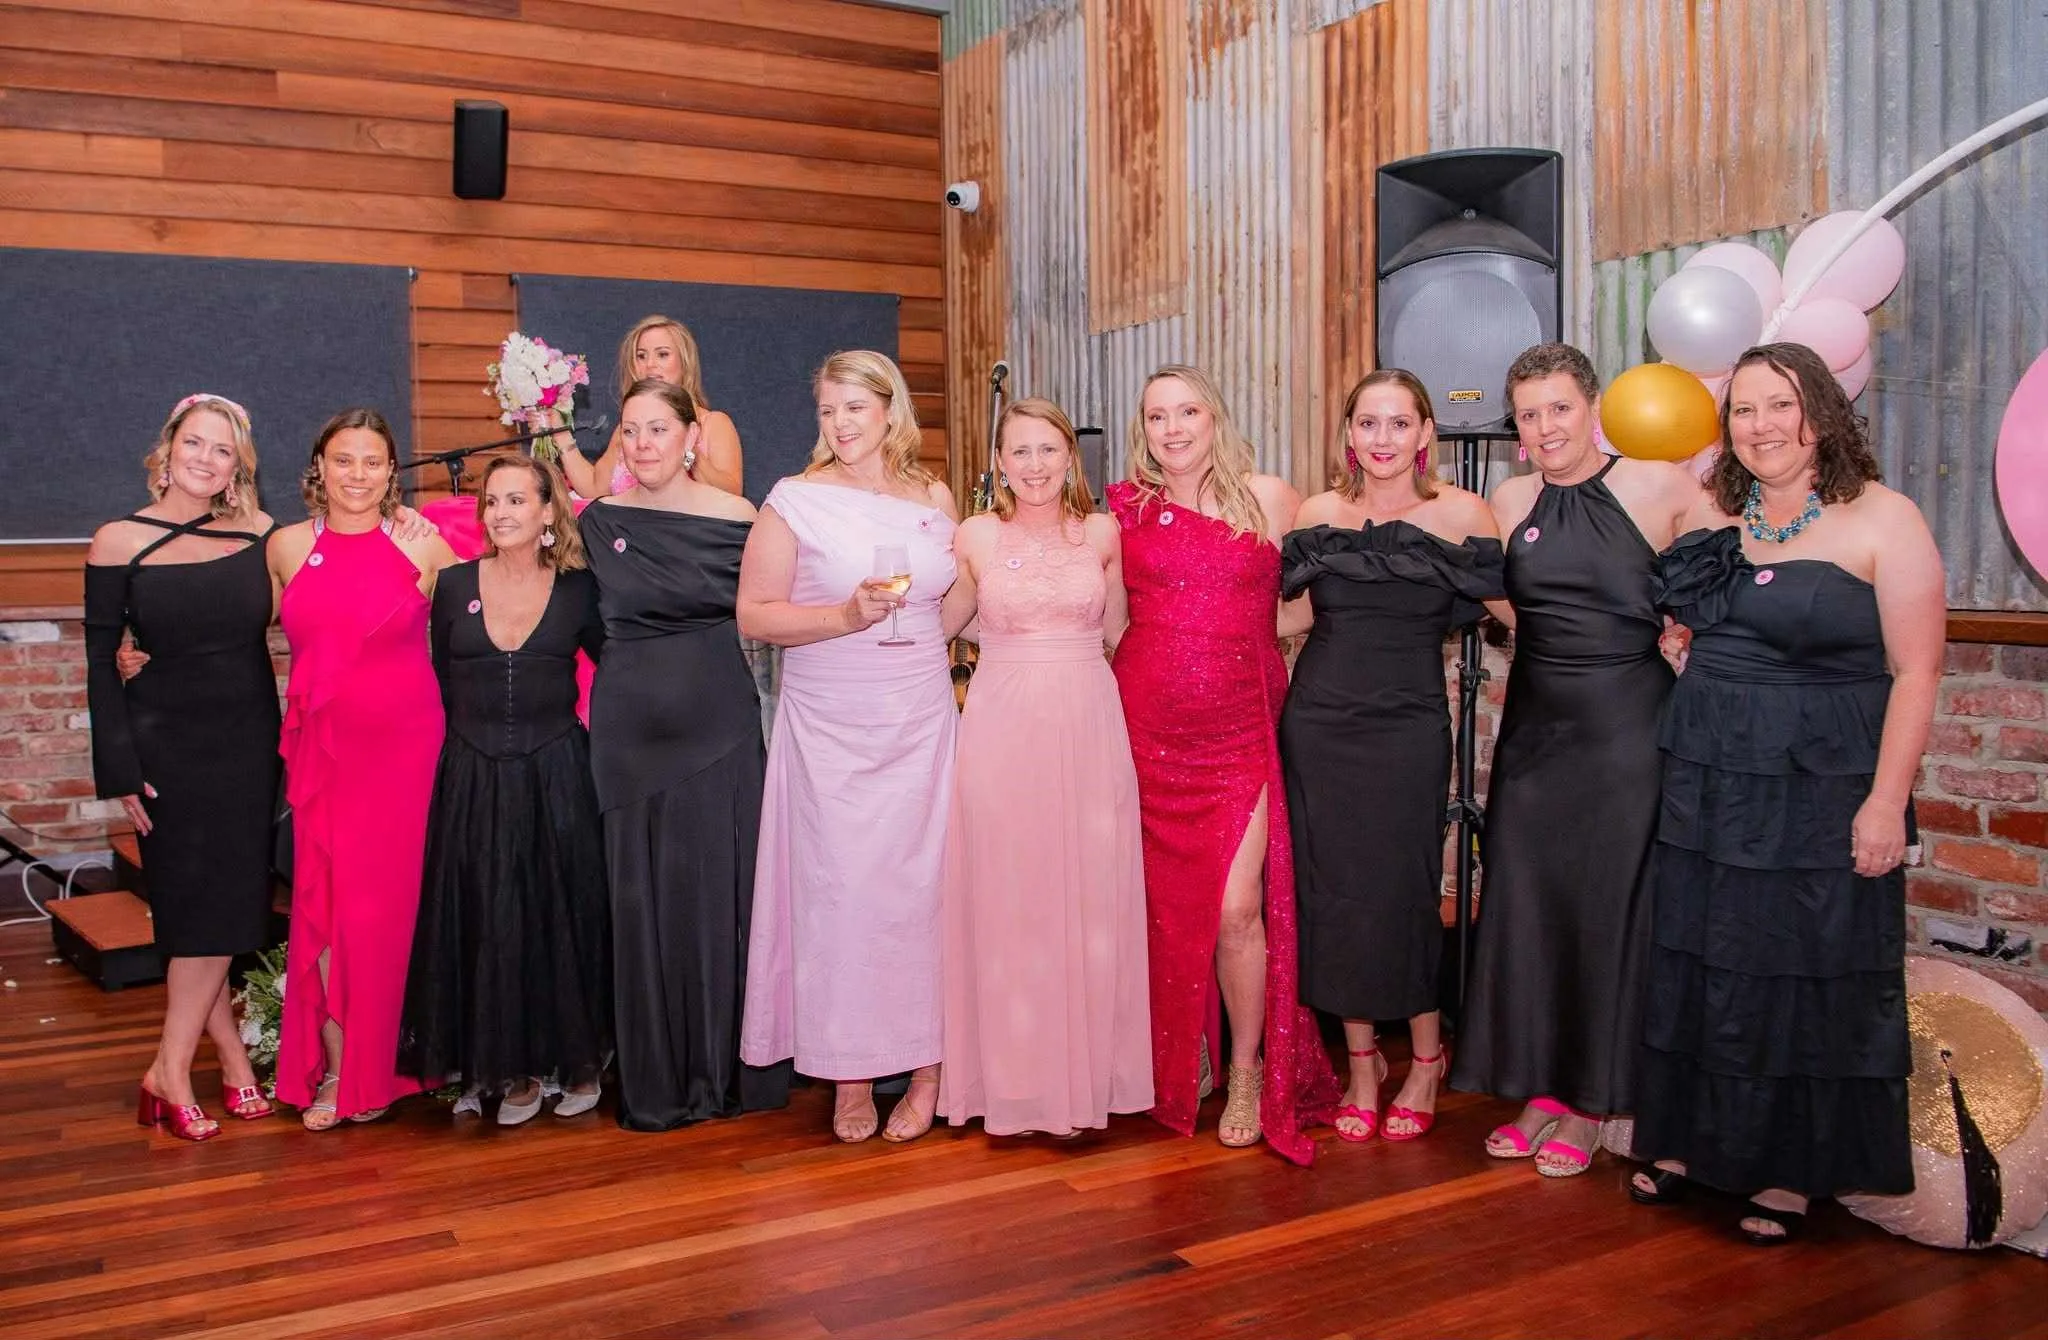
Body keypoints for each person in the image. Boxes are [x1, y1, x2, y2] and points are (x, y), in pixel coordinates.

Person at [1628, 342, 1941, 1243]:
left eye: (1781, 405)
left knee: (1803, 967)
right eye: (1744, 409)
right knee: (1705, 957)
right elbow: (1698, 626)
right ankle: (1690, 1142)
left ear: (1823, 414)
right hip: (1711, 778)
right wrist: (1684, 650)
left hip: (1821, 787)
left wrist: (1884, 802)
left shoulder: (1884, 518)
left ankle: (1790, 1170)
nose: (1760, 425)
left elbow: (1917, 673)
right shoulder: (1717, 513)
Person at [1449, 343, 1700, 1176]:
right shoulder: (1510, 498)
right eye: (1529, 414)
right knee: (1527, 903)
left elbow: (1727, 567)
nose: (1546, 426)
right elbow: (1501, 596)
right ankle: (1541, 1091)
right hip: (1536, 729)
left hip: (1627, 728)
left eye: (1559, 407)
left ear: (1593, 408)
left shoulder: (1659, 485)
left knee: (1606, 910)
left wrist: (1679, 630)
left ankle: (1593, 1102)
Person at [1107, 363, 1338, 1164]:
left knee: (1238, 910)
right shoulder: (1125, 511)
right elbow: (1111, 625)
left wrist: (1238, 640)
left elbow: (1309, 608)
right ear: (1143, 429)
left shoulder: (1272, 499)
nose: (1172, 429)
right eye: (1157, 416)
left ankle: (1245, 1070)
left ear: (1216, 418)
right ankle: (1184, 1056)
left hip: (1241, 729)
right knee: (1164, 909)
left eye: (1187, 412)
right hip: (1146, 730)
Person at [1278, 370, 1508, 1144]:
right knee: (1335, 893)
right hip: (1319, 723)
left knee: (1404, 891)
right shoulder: (1319, 514)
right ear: (1350, 434)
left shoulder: (1463, 514)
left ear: (1425, 434)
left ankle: (1428, 1059)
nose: (1383, 439)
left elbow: (1518, 613)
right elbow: (1289, 620)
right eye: (1368, 423)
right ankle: (1363, 1064)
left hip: (1407, 728)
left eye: (1399, 423)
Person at [738, 349, 959, 1144]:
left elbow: (951, 600)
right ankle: (851, 1072)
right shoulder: (795, 501)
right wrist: (844, 617)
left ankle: (931, 1069)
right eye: (828, 410)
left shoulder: (932, 497)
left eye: (854, 407)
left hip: (920, 717)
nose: (839, 423)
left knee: (924, 892)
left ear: (890, 409)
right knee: (842, 898)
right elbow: (754, 614)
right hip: (832, 724)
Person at [935, 398, 1152, 1138]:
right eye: (1020, 452)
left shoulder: (1102, 533)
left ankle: (1084, 1079)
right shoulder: (975, 535)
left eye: (1048, 450)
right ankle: (1015, 1083)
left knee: (1087, 895)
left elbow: (1122, 634)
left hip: (1089, 724)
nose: (1034, 465)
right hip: (1002, 727)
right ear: (999, 462)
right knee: (1010, 895)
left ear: (1070, 458)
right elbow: (943, 624)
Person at [580, 379, 787, 1130]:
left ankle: (728, 1071)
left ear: (691, 436)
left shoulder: (741, 518)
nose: (643, 444)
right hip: (629, 737)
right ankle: (656, 1079)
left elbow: (780, 611)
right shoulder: (597, 522)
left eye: (658, 429)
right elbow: (523, 558)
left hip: (720, 725)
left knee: (722, 894)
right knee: (640, 901)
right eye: (631, 430)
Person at [85, 394, 280, 1141]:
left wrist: (411, 526)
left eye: (222, 450)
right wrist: (119, 769)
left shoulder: (264, 535)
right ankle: (171, 1069)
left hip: (248, 743)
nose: (206, 458)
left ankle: (224, 1058)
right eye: (194, 443)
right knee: (196, 911)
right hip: (166, 747)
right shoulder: (117, 541)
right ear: (167, 449)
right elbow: (100, 663)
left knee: (227, 909)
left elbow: (334, 585)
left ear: (238, 467)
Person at [397, 456, 611, 1124]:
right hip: (473, 778)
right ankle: (508, 1070)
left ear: (549, 510)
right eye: (492, 501)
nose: (501, 513)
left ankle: (573, 1063)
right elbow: (439, 677)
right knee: (488, 920)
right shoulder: (454, 583)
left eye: (517, 500)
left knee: (557, 920)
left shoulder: (581, 589)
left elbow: (620, 666)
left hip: (557, 776)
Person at [270, 409, 460, 1130]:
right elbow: (228, 632)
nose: (357, 474)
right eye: (343, 459)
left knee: (393, 911)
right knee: (325, 908)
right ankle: (340, 1072)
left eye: (372, 461)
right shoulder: (286, 546)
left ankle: (404, 1062)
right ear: (319, 467)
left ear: (391, 472)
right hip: (323, 756)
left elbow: (479, 634)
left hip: (408, 752)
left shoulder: (425, 546)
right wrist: (141, 653)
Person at [556, 315, 744, 500]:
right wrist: (559, 432)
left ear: (685, 362)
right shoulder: (626, 429)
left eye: (662, 354)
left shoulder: (712, 424)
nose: (650, 365)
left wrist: (691, 454)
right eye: (641, 356)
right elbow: (595, 488)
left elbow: (731, 497)